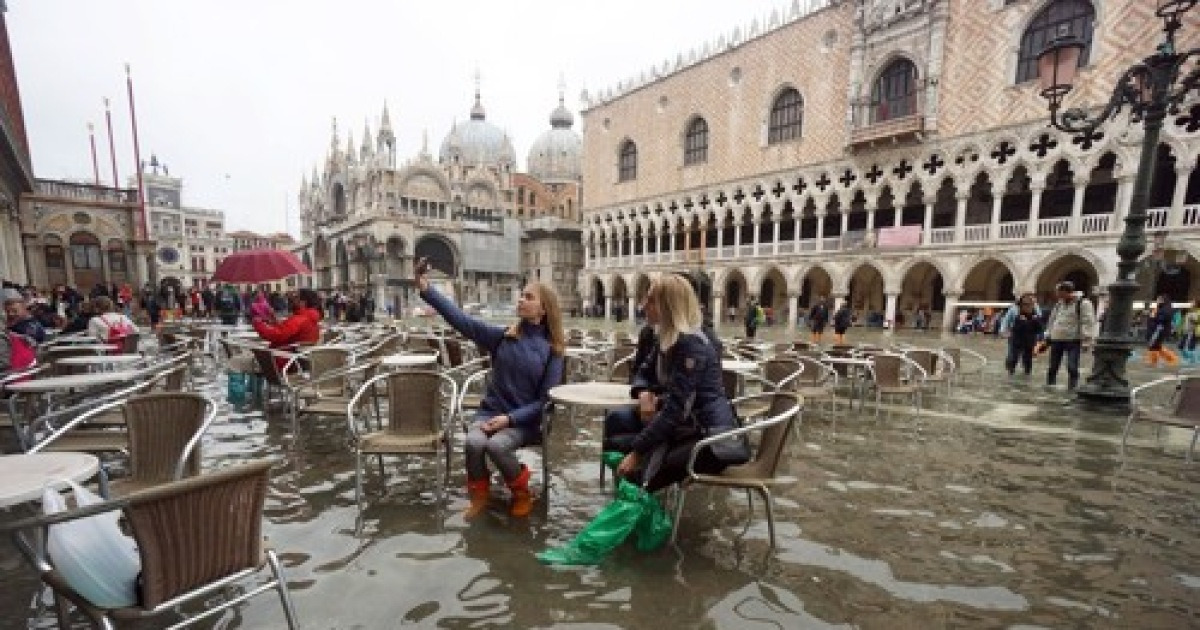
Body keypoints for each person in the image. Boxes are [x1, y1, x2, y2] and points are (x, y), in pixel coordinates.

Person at [417, 257, 564, 520]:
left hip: (527, 421)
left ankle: (521, 493)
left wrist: (509, 419)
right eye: (521, 296)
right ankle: (480, 497)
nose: (520, 300)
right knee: (473, 443)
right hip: (490, 413)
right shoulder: (505, 336)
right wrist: (427, 290)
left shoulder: (553, 351)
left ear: (543, 309)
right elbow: (462, 321)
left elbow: (546, 400)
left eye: (528, 297)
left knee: (497, 447)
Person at [612, 274, 740, 493]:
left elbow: (677, 410)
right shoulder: (667, 338)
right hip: (688, 428)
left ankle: (651, 518)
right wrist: (643, 393)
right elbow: (643, 371)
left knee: (638, 472)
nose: (644, 306)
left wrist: (637, 452)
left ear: (668, 305)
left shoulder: (691, 346)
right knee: (617, 435)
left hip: (711, 439)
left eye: (651, 300)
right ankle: (640, 510)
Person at [229, 289, 324, 374]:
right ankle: (255, 391)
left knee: (234, 362)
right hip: (293, 360)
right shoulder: (310, 318)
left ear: (303, 302)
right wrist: (274, 321)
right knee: (245, 359)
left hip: (280, 361)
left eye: (296, 297)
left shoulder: (300, 319)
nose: (292, 299)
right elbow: (285, 332)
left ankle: (239, 393)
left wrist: (257, 323)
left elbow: (275, 335)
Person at [1045, 281, 1096, 390]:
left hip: (1073, 340)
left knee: (1072, 366)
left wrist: (1086, 340)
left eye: (1060, 293)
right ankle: (1049, 385)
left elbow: (1087, 322)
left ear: (1068, 292)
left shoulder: (1083, 303)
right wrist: (1048, 335)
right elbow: (1052, 320)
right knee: (1053, 366)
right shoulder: (1059, 304)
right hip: (1057, 339)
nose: (1058, 295)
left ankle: (1072, 387)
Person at [1002, 293, 1044, 377]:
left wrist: (1040, 341)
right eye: (1025, 304)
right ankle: (1010, 372)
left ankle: (1026, 375)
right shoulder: (1017, 314)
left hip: (1029, 342)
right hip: (1016, 341)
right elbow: (1010, 323)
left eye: (1030, 304)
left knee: (1027, 361)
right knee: (1013, 358)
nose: (1028, 306)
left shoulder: (1036, 314)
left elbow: (1039, 329)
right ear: (1021, 305)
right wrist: (1004, 331)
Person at [1146, 294, 1180, 367]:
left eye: (1159, 300)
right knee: (1156, 346)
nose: (1157, 301)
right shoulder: (1161, 308)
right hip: (1157, 330)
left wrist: (1153, 316)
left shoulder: (1165, 309)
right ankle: (1171, 359)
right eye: (1157, 300)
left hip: (1159, 330)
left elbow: (1160, 319)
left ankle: (1154, 362)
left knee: (1153, 346)